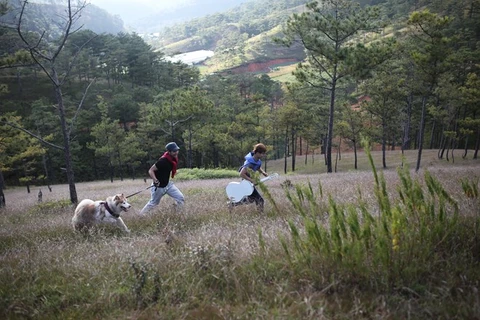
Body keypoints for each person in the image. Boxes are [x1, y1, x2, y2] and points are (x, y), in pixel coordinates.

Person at [139, 142, 185, 215]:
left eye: (177, 150)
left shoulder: (173, 159)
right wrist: (155, 180)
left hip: (168, 185)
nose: (176, 152)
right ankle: (141, 215)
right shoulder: (163, 161)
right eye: (174, 151)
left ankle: (179, 215)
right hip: (159, 186)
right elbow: (151, 170)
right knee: (153, 203)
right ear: (169, 152)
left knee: (180, 198)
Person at [238, 143, 268, 212]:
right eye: (262, 153)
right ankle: (261, 216)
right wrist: (251, 180)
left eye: (263, 153)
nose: (263, 155)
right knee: (260, 200)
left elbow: (258, 167)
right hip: (246, 182)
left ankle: (232, 204)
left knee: (250, 199)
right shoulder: (249, 163)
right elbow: (241, 174)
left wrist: (263, 172)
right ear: (257, 152)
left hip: (250, 182)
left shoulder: (257, 161)